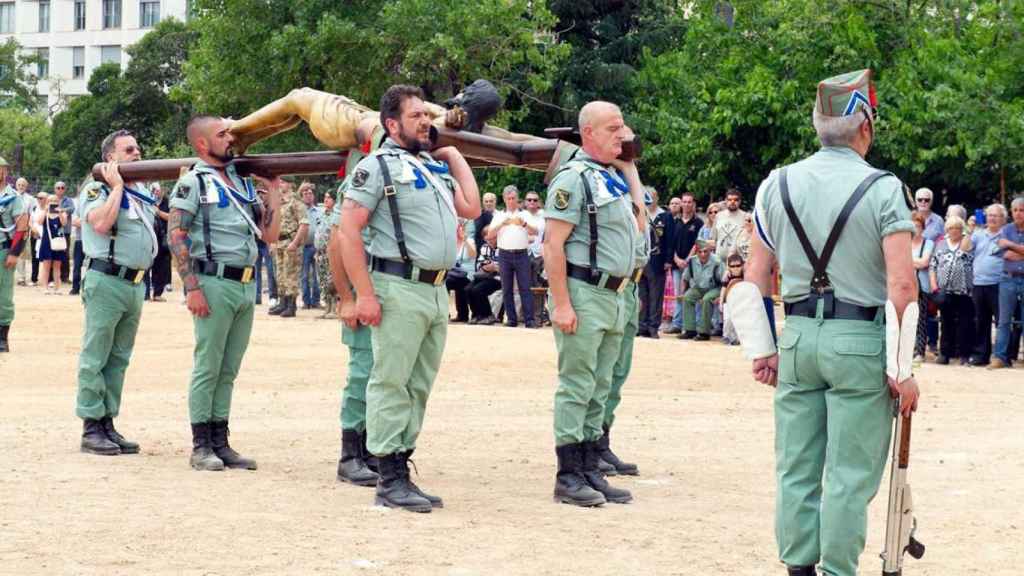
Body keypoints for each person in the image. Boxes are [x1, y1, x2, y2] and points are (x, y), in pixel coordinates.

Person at [740, 69, 919, 576]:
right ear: (865, 126)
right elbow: (902, 286)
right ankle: (837, 570)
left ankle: (798, 567)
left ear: (819, 125)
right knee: (848, 473)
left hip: (797, 336)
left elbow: (754, 278)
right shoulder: (884, 189)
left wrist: (762, 347)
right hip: (859, 340)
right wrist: (902, 367)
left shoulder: (775, 184)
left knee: (796, 465)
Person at [338, 84, 481, 512]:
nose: (426, 121)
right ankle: (389, 479)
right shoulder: (376, 166)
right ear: (392, 124)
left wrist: (453, 155)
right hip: (397, 286)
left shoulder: (432, 167)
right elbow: (348, 231)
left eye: (426, 115)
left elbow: (471, 207)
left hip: (435, 289)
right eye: (416, 115)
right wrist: (363, 294)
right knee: (390, 380)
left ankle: (402, 463)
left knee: (418, 384)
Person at [543, 101, 644, 508]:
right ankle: (568, 474)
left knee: (600, 386)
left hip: (615, 295)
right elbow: (553, 245)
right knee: (578, 384)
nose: (623, 135)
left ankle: (589, 468)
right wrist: (562, 303)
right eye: (613, 129)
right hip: (585, 292)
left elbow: (639, 224)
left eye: (623, 128)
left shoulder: (610, 178)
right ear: (587, 133)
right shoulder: (573, 178)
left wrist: (629, 167)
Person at [168, 115, 282, 472]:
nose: (230, 139)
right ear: (202, 144)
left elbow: (269, 235)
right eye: (222, 134)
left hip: (245, 283)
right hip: (213, 282)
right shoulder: (193, 183)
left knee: (228, 368)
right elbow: (177, 235)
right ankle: (201, 444)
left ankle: (221, 440)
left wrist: (274, 191)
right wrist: (192, 287)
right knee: (208, 365)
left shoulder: (241, 182)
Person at [74, 129, 158, 456]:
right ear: (111, 158)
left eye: (138, 148)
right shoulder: (98, 188)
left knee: (118, 358)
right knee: (96, 355)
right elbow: (100, 224)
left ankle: (108, 421)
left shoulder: (142, 193)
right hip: (106, 279)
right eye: (129, 149)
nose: (137, 153)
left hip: (134, 284)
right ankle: (91, 425)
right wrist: (118, 187)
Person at [327, 177, 379, 488]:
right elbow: (337, 242)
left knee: (385, 378)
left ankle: (372, 451)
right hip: (364, 290)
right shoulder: (364, 177)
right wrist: (346, 297)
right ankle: (350, 457)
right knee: (362, 375)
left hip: (389, 289)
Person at [486, 185, 539, 327]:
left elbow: (535, 232)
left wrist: (524, 224)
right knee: (507, 288)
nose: (511, 201)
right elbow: (489, 235)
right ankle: (511, 319)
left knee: (525, 287)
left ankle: (529, 319)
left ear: (517, 199)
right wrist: (501, 224)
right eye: (508, 198)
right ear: (504, 199)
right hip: (504, 254)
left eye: (513, 198)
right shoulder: (499, 215)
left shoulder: (525, 214)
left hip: (522, 253)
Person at [929, 216, 975, 365]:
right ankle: (944, 354)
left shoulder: (966, 242)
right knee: (946, 322)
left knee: (965, 323)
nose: (954, 231)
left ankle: (964, 355)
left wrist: (967, 231)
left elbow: (966, 251)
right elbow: (933, 266)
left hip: (963, 291)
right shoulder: (941, 244)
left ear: (962, 230)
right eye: (950, 228)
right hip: (945, 290)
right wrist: (934, 286)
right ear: (946, 230)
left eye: (957, 228)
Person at [969, 204, 1006, 366]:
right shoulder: (978, 234)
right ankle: (981, 356)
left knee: (1001, 321)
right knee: (981, 321)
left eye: (995, 215)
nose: (991, 218)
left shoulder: (1006, 235)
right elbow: (965, 248)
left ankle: (1003, 356)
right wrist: (969, 231)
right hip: (979, 284)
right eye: (989, 215)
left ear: (1003, 219)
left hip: (999, 283)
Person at [0, 156, 31, 353]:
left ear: (5, 172)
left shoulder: (13, 197)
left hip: (3, 250)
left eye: (1, 169)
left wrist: (14, 252)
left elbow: (22, 226)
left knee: (3, 295)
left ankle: (2, 337)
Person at [990, 196, 1024, 369]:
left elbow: (1007, 248)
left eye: (1022, 210)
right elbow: (999, 252)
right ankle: (999, 357)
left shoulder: (1006, 236)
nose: (1018, 213)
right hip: (1007, 278)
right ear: (1011, 212)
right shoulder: (1005, 229)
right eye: (1016, 210)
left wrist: (1011, 246)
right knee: (1003, 320)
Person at [269, 180, 307, 318]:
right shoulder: (279, 203)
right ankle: (282, 302)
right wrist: (271, 242)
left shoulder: (296, 202)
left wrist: (295, 243)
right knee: (280, 274)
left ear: (291, 184)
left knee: (291, 275)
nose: (280, 184)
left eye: (284, 182)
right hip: (278, 242)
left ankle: (291, 305)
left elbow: (304, 224)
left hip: (290, 242)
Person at [638, 187, 672, 338]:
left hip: (657, 260)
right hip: (640, 260)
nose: (649, 199)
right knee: (642, 294)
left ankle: (653, 327)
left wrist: (668, 260)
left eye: (651, 196)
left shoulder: (665, 216)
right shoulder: (639, 213)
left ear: (657, 198)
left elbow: (670, 240)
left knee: (656, 295)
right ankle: (641, 326)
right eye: (646, 196)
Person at [667, 193, 703, 334]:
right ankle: (677, 323)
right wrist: (675, 259)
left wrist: (688, 259)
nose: (687, 204)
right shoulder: (674, 222)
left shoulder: (698, 223)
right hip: (677, 264)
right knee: (679, 294)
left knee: (694, 294)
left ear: (693, 204)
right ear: (681, 203)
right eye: (684, 202)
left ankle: (693, 325)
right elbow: (671, 243)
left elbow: (698, 243)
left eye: (689, 202)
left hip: (693, 265)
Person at [680, 241, 724, 341]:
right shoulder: (692, 261)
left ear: (710, 251)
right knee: (687, 297)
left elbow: (724, 281)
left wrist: (721, 296)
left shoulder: (717, 262)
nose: (703, 254)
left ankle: (704, 332)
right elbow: (685, 278)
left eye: (705, 251)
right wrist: (682, 293)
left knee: (706, 299)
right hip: (698, 288)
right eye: (700, 252)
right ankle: (690, 330)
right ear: (697, 252)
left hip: (715, 288)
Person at [910, 211, 934, 363]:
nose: (915, 229)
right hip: (905, 284)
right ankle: (907, 349)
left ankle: (920, 352)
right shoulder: (904, 242)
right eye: (913, 226)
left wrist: (906, 260)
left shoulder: (929, 243)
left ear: (923, 228)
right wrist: (915, 261)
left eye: (918, 226)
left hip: (922, 285)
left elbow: (924, 262)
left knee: (921, 319)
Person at [144, 182, 172, 302]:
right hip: (148, 237)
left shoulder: (168, 202)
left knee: (161, 266)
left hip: (162, 238)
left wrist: (159, 212)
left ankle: (157, 293)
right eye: (154, 190)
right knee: (145, 266)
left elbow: (172, 217)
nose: (156, 192)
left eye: (158, 190)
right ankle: (145, 294)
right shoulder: (146, 201)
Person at [36, 192, 68, 294]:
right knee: (46, 265)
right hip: (46, 241)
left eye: (55, 201)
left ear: (58, 202)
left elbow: (64, 223)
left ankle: (57, 288)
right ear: (47, 202)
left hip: (58, 241)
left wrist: (59, 213)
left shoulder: (62, 213)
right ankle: (45, 287)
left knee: (57, 266)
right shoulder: (44, 212)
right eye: (50, 201)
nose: (53, 203)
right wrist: (45, 210)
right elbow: (39, 222)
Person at [446, 219, 476, 323]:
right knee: (444, 280)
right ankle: (458, 314)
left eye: (460, 229)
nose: (458, 231)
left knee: (447, 282)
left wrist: (465, 240)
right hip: (455, 274)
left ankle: (450, 314)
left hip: (468, 274)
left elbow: (473, 255)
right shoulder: (452, 243)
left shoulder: (470, 241)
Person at [467, 237, 501, 324]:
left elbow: (505, 266)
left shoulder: (502, 248)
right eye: (487, 239)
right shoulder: (484, 247)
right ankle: (477, 315)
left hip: (498, 278)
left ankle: (488, 315)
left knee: (478, 290)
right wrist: (486, 267)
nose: (489, 241)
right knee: (467, 289)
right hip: (484, 276)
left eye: (491, 238)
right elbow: (479, 264)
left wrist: (495, 267)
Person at [300, 182, 323, 309]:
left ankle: (316, 301)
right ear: (302, 196)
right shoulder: (300, 210)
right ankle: (306, 301)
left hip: (317, 247)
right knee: (304, 275)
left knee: (316, 275)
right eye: (305, 194)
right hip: (303, 247)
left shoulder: (320, 211)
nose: (308, 196)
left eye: (310, 193)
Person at [314, 191, 337, 318]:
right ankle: (327, 308)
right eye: (325, 197)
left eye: (329, 197)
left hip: (332, 253)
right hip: (320, 253)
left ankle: (334, 308)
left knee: (332, 280)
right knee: (322, 280)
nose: (326, 200)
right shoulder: (321, 215)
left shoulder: (337, 216)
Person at [713, 188, 747, 261]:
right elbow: (713, 239)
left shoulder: (745, 217)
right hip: (719, 260)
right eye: (730, 199)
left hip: (737, 262)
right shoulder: (718, 216)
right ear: (725, 200)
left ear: (740, 201)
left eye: (735, 200)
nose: (732, 202)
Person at [720, 253, 745, 346]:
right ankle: (726, 336)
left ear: (742, 265)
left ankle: (736, 338)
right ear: (729, 267)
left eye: (738, 266)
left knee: (739, 320)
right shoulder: (728, 276)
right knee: (728, 320)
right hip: (728, 301)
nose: (735, 268)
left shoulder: (745, 275)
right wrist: (721, 302)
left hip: (740, 301)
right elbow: (723, 289)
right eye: (732, 266)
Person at [13, 177, 31, 287]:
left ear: (26, 186)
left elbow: (31, 215)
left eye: (23, 185)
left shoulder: (30, 199)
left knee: (21, 253)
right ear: (16, 185)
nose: (21, 186)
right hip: (10, 229)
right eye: (19, 184)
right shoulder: (11, 196)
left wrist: (27, 229)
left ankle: (21, 277)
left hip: (23, 229)